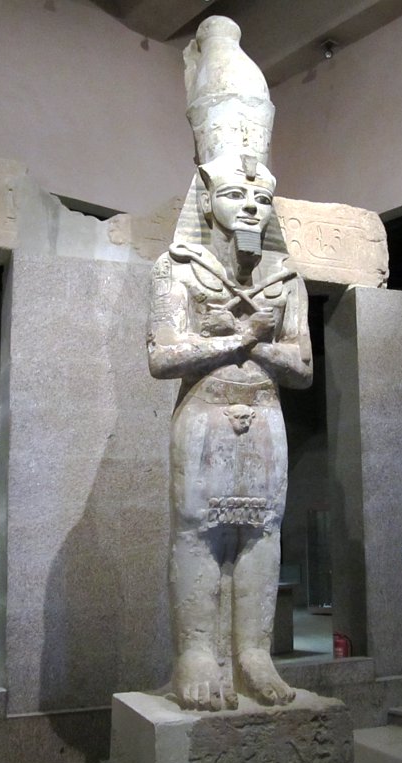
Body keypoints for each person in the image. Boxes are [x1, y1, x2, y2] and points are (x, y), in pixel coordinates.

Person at [147, 151, 312, 710]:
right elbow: (164, 357)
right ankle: (195, 654)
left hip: (265, 415)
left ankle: (253, 656)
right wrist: (237, 340)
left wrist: (255, 340)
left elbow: (303, 369)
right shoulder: (178, 266)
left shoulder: (286, 276)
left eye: (262, 199)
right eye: (236, 196)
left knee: (263, 533)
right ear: (206, 201)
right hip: (203, 415)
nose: (250, 208)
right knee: (198, 530)